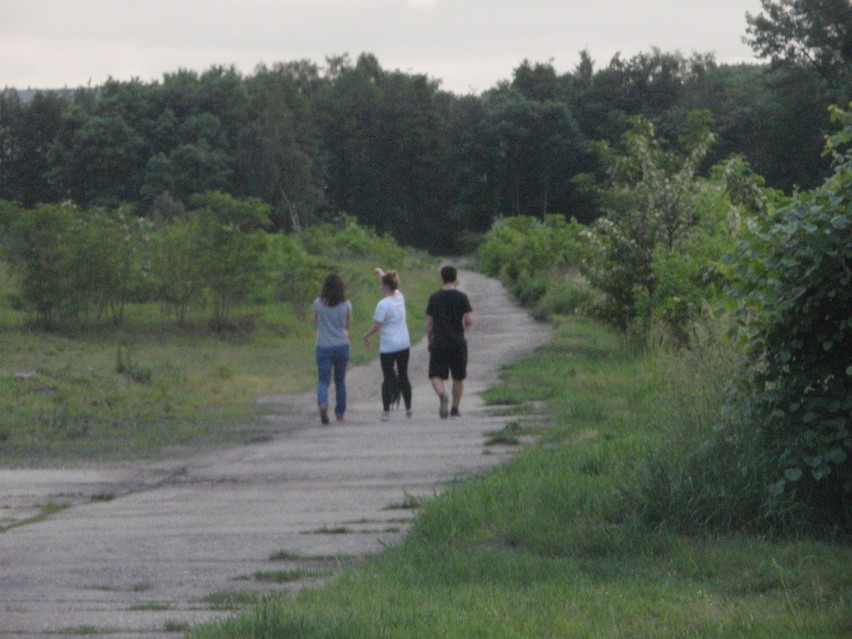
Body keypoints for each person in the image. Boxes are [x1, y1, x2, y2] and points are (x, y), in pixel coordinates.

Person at [363, 268, 412, 422]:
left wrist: (366, 335)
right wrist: (380, 273)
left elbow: (377, 326)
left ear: (385, 286)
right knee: (404, 376)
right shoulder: (400, 296)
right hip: (404, 344)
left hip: (388, 347)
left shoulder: (382, 304)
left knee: (388, 379)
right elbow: (390, 283)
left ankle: (386, 412)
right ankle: (409, 409)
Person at [426, 265, 473, 418]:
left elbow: (430, 323)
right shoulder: (462, 297)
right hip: (457, 341)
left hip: (440, 341)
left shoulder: (434, 297)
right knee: (458, 376)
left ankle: (442, 395)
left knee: (435, 374)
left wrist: (430, 339)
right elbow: (469, 319)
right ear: (455, 277)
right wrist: (464, 329)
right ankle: (454, 409)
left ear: (442, 278)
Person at [313, 273, 352, 424]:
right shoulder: (346, 304)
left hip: (323, 345)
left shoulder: (318, 303)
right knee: (340, 380)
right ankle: (340, 413)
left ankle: (323, 403)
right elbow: (347, 325)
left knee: (323, 380)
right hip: (342, 344)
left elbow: (316, 323)